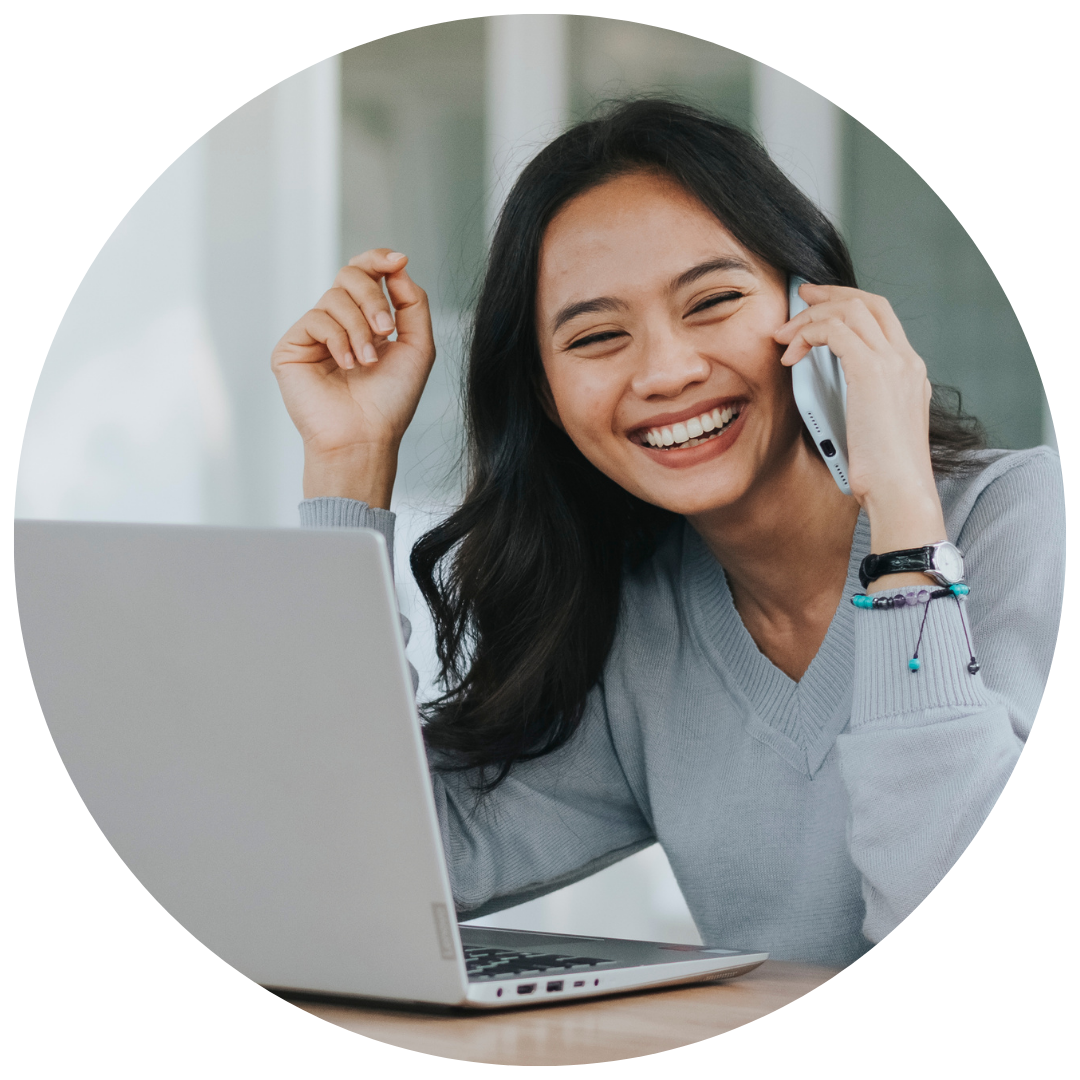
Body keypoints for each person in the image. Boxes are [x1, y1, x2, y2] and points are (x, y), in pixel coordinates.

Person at [271, 99, 1064, 968]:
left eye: (713, 301)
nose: (668, 372)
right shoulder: (642, 624)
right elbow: (354, 864)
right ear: (546, 397)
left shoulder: (1033, 524)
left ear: (819, 311)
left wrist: (905, 517)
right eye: (599, 336)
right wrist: (349, 461)